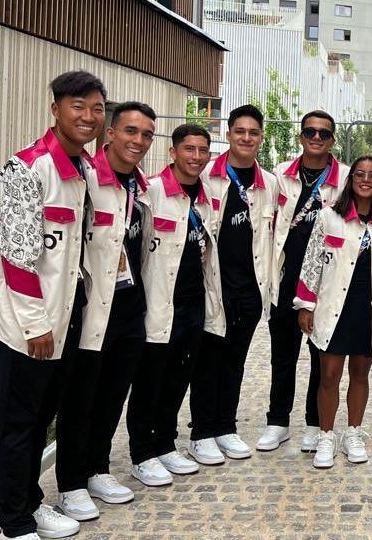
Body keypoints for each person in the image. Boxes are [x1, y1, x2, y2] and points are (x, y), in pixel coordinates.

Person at [0, 70, 106, 540]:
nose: (88, 117)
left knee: (41, 419)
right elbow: (15, 259)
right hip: (26, 323)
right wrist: (34, 326)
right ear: (55, 109)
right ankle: (13, 522)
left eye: (96, 108)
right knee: (18, 422)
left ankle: (28, 501)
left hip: (63, 317)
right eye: (78, 106)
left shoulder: (86, 170)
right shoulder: (26, 169)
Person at [53, 102, 157, 521]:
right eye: (130, 131)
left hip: (131, 306)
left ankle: (97, 468)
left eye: (147, 135)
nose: (138, 141)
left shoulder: (143, 188)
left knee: (114, 392)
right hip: (93, 306)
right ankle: (70, 483)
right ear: (110, 134)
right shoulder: (88, 180)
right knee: (82, 397)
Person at [127, 124, 225, 488]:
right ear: (173, 152)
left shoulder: (207, 197)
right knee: (150, 379)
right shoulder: (150, 191)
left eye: (203, 150)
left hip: (193, 302)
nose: (196, 157)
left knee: (178, 377)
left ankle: (165, 444)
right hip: (157, 303)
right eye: (189, 149)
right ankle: (142, 453)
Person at [292, 156, 372, 469]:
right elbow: (311, 262)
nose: (366, 180)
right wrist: (305, 305)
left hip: (370, 307)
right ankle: (326, 435)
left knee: (360, 374)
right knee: (330, 375)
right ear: (351, 181)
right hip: (333, 307)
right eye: (360, 174)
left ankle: (353, 432)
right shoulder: (328, 217)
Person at [189, 105, 277, 465]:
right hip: (214, 287)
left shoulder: (268, 182)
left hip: (250, 288)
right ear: (229, 133)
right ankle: (202, 433)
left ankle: (226, 426)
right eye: (239, 131)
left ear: (260, 137)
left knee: (235, 361)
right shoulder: (207, 175)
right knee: (208, 361)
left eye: (253, 132)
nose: (246, 138)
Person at [258, 110, 347, 453]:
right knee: (283, 355)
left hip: (324, 282)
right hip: (285, 277)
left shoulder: (345, 179)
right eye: (310, 131)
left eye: (324, 133)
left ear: (332, 140)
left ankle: (314, 423)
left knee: (320, 356)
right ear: (300, 136)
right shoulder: (280, 175)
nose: (316, 137)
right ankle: (277, 421)